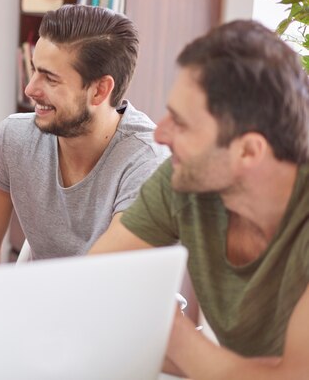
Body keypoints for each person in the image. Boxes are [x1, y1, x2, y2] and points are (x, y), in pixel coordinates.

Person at [0, 5, 168, 322]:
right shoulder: (14, 138)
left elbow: (97, 288)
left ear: (100, 90)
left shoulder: (149, 161)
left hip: (124, 327)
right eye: (34, 69)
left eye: (49, 78)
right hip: (38, 322)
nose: (30, 89)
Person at [88, 19, 309, 378]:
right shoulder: (184, 180)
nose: (159, 133)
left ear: (249, 152)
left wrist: (169, 329)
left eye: (182, 123)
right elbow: (90, 286)